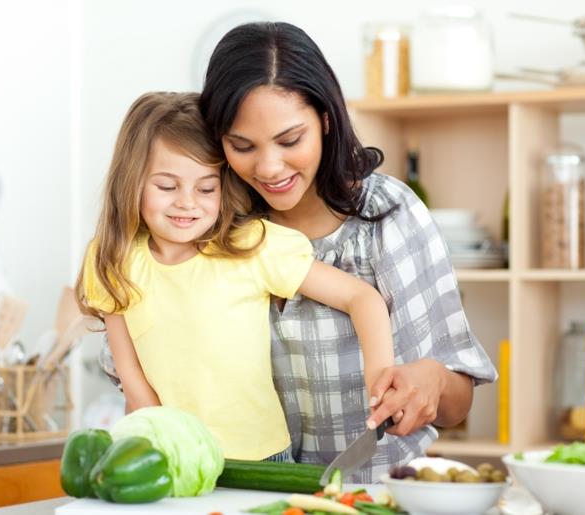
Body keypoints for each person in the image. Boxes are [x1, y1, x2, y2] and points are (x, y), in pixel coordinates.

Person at [196, 21, 498, 481]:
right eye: (242, 146)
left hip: (375, 494)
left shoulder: (386, 215)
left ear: (326, 120)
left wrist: (431, 379)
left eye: (290, 140)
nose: (269, 167)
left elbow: (458, 403)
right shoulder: (213, 224)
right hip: (242, 496)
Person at [77, 91, 396, 462]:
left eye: (206, 188)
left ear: (223, 184)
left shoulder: (250, 247)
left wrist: (381, 379)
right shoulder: (113, 259)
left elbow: (361, 298)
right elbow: (129, 373)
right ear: (132, 182)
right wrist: (171, 443)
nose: (187, 202)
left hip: (260, 457)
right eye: (167, 186)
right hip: (172, 454)